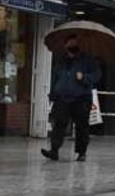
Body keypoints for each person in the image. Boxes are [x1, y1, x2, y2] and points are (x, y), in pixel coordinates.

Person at [41, 34, 102, 162]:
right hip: (62, 98)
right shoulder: (61, 60)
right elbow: (55, 77)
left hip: (81, 98)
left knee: (81, 126)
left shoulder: (87, 60)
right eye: (70, 44)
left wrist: (84, 77)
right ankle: (54, 150)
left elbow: (96, 75)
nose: (73, 46)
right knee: (59, 124)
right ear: (66, 45)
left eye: (75, 44)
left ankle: (81, 152)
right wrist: (53, 93)